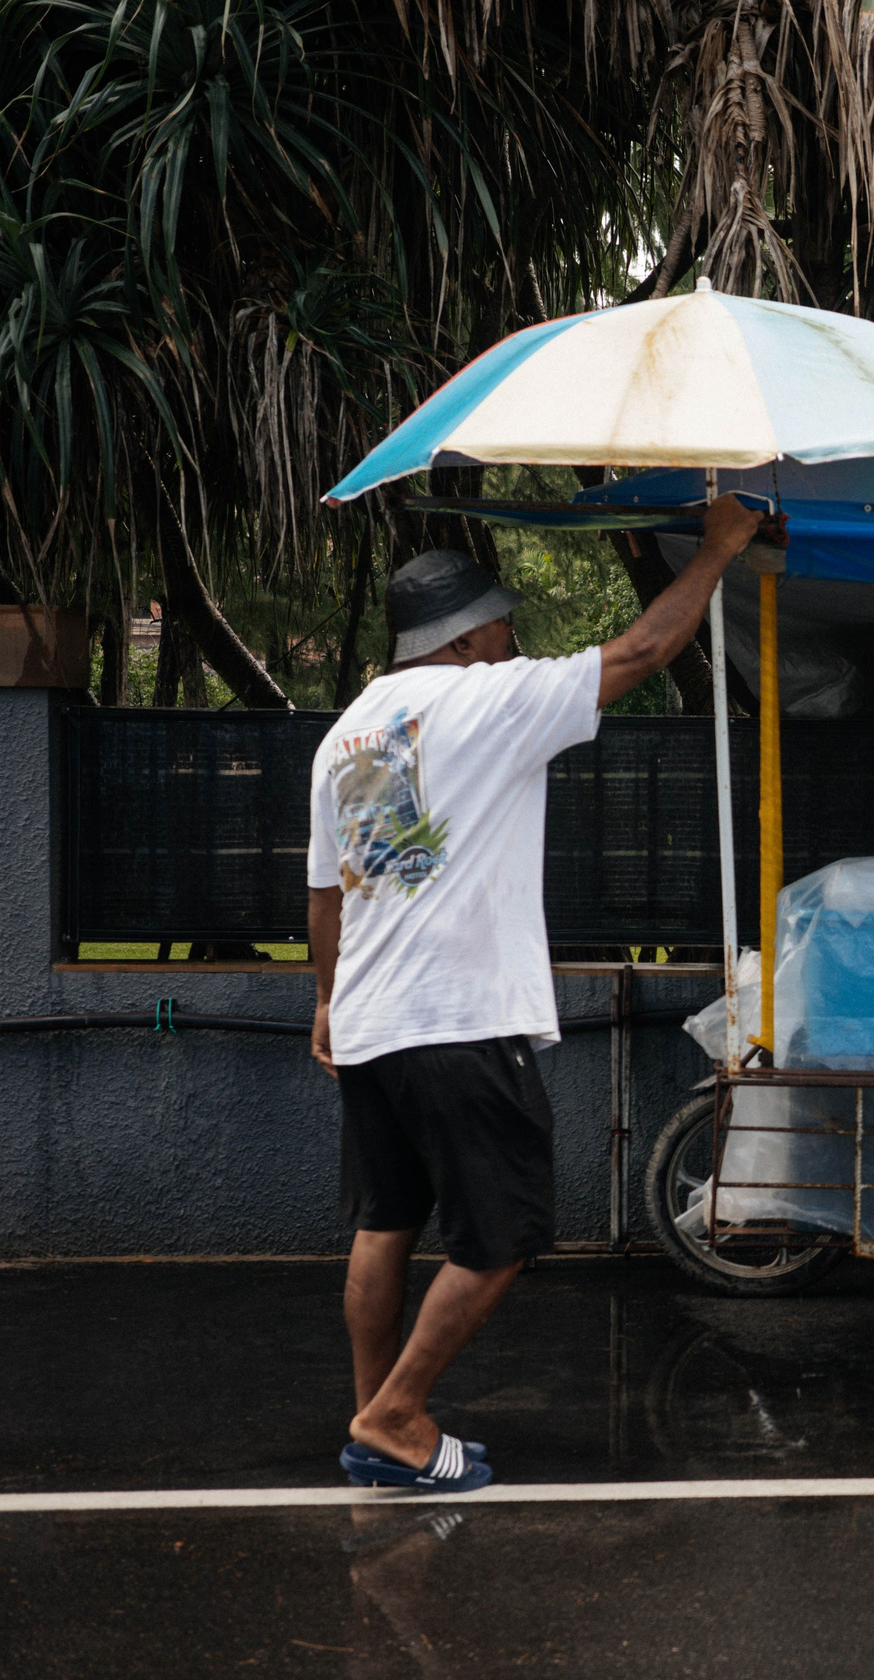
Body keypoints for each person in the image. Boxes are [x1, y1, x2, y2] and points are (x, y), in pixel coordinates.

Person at [307, 496, 763, 1492]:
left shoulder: (348, 735)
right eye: (503, 622)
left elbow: (325, 888)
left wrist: (328, 1001)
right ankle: (393, 1417)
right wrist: (720, 546)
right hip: (459, 1017)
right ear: (467, 636)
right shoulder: (487, 696)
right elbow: (642, 651)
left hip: (375, 1022)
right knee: (506, 1232)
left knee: (385, 1221)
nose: (514, 635)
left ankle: (373, 1416)